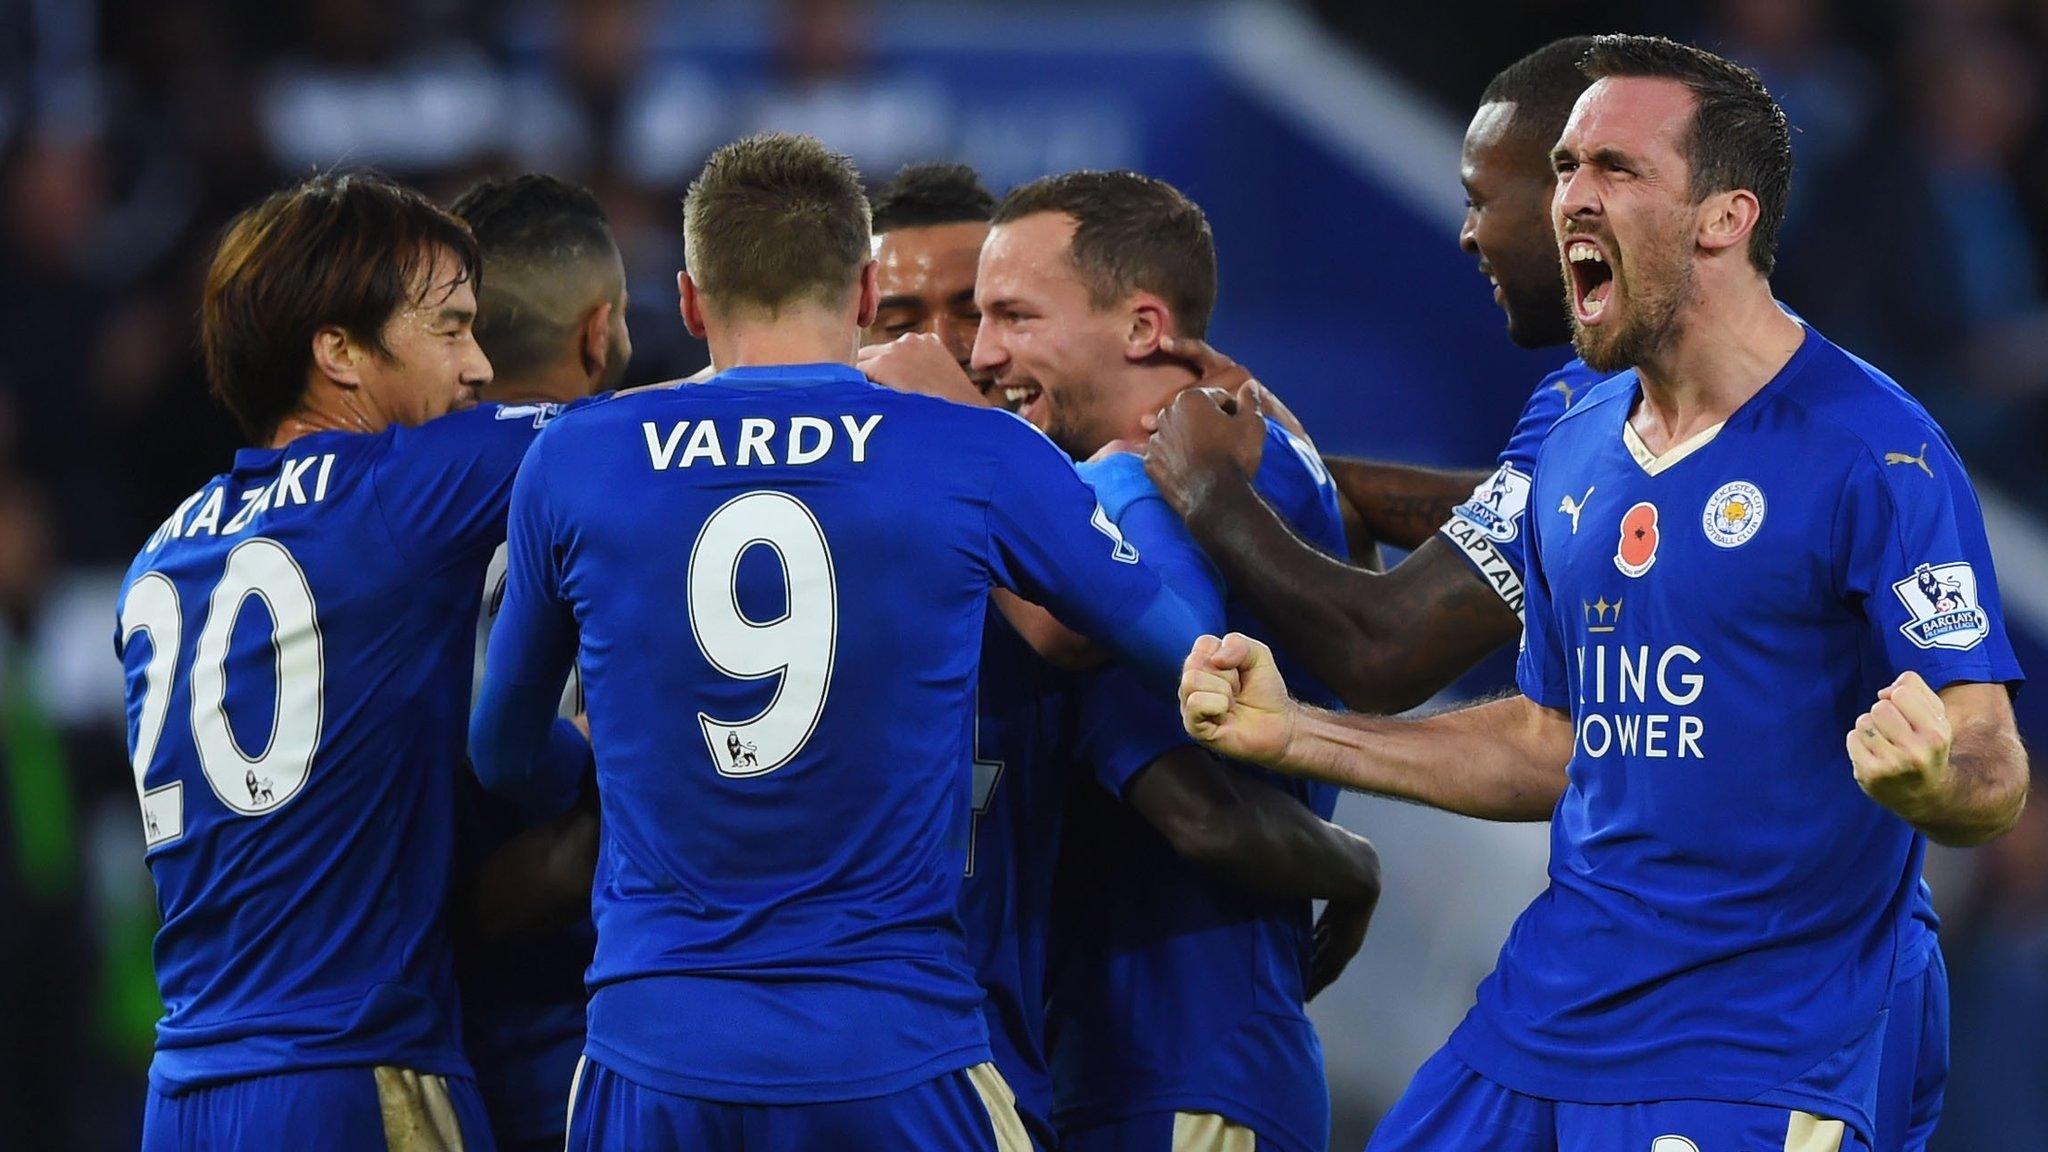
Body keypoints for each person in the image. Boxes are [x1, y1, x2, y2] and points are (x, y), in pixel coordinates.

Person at [1178, 36, 2029, 1151]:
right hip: (1544, 1014)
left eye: (1613, 170)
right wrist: (1294, 733)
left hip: (1751, 1043)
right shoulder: (1576, 440)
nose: (1568, 196)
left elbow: (1989, 763)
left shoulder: (1877, 452)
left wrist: (1931, 784)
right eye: (1567, 166)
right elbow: (1550, 739)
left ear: (1722, 218)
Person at [469, 132, 1213, 1152]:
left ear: (689, 303)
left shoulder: (575, 457)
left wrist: (615, 765)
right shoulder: (974, 449)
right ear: (865, 294)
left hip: (653, 1051)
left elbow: (499, 750)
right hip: (892, 1049)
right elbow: (1187, 650)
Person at [856, 162, 1380, 1152]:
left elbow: (1117, 659)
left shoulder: (1131, 484)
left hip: (1164, 1067)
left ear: (1139, 327)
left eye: (1000, 313)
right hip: (1140, 1060)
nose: (965, 350)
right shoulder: (1222, 449)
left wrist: (964, 441)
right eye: (909, 322)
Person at [115, 172, 580, 1150]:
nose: (482, 367)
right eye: (450, 328)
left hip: (185, 1093)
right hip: (354, 1078)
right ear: (338, 352)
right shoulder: (398, 491)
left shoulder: (157, 558)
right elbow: (641, 450)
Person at [1143, 37, 1600, 715]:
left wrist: (1207, 485)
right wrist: (1285, 464)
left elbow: (1380, 650)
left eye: (1479, 199)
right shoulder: (1655, 391)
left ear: (1571, 197)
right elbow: (1545, 513)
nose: (1467, 234)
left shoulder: (1606, 398)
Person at [448, 172, 630, 1152]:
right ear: (597, 332)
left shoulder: (375, 507)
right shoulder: (639, 491)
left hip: (423, 1027)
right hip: (600, 1024)